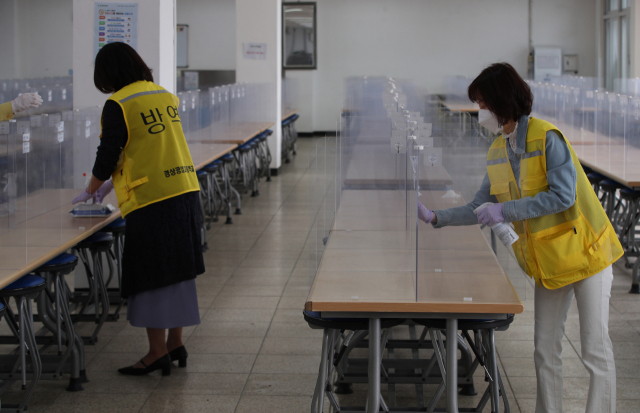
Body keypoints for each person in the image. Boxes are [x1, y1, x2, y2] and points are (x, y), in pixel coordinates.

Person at [418, 63, 622, 413]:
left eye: (482, 104)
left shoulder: (547, 138)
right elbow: (480, 207)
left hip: (588, 254)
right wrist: (437, 217)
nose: (479, 112)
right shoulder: (498, 150)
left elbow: (563, 196)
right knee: (544, 349)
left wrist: (506, 212)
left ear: (501, 102)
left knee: (593, 348)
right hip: (550, 262)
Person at [72, 42, 204, 376]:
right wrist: (108, 184)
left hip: (152, 199)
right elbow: (148, 144)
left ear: (108, 74)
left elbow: (108, 152)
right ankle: (175, 343)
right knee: (179, 270)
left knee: (152, 274)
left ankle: (155, 352)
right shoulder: (163, 94)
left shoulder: (119, 103)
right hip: (184, 189)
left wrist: (92, 189)